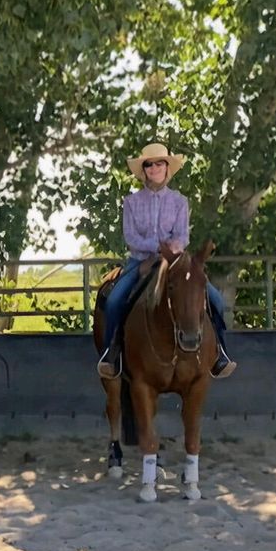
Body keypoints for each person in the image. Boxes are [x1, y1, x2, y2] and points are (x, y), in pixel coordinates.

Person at [96, 142, 236, 380]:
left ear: (166, 167)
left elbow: (182, 236)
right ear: (144, 169)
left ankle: (219, 353)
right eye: (148, 164)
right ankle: (112, 353)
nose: (154, 168)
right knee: (115, 299)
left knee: (215, 299)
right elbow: (131, 238)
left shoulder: (180, 201)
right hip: (140, 261)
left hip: (175, 262)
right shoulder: (131, 202)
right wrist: (158, 248)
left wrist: (172, 250)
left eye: (159, 163)